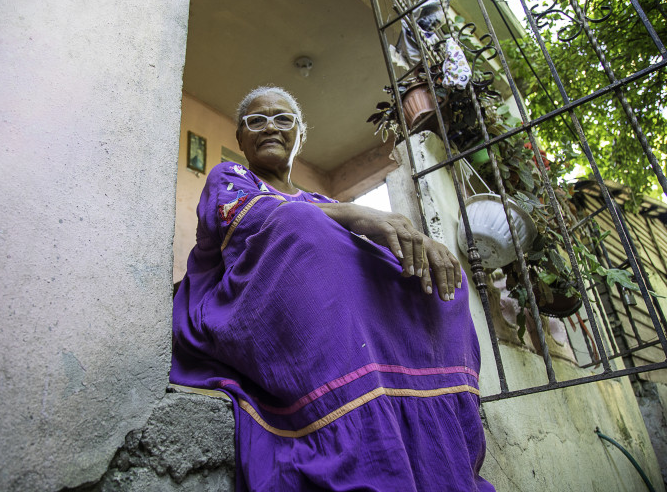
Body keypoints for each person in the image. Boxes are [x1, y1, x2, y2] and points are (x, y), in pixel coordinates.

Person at [171, 86, 494, 491]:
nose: (269, 126)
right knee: (300, 224)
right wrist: (357, 214)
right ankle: (348, 425)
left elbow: (363, 259)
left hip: (313, 308)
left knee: (439, 278)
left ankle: (435, 443)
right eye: (256, 120)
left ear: (300, 134)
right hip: (235, 306)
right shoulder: (231, 178)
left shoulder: (319, 201)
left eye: (282, 118)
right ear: (240, 137)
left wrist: (421, 245)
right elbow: (258, 220)